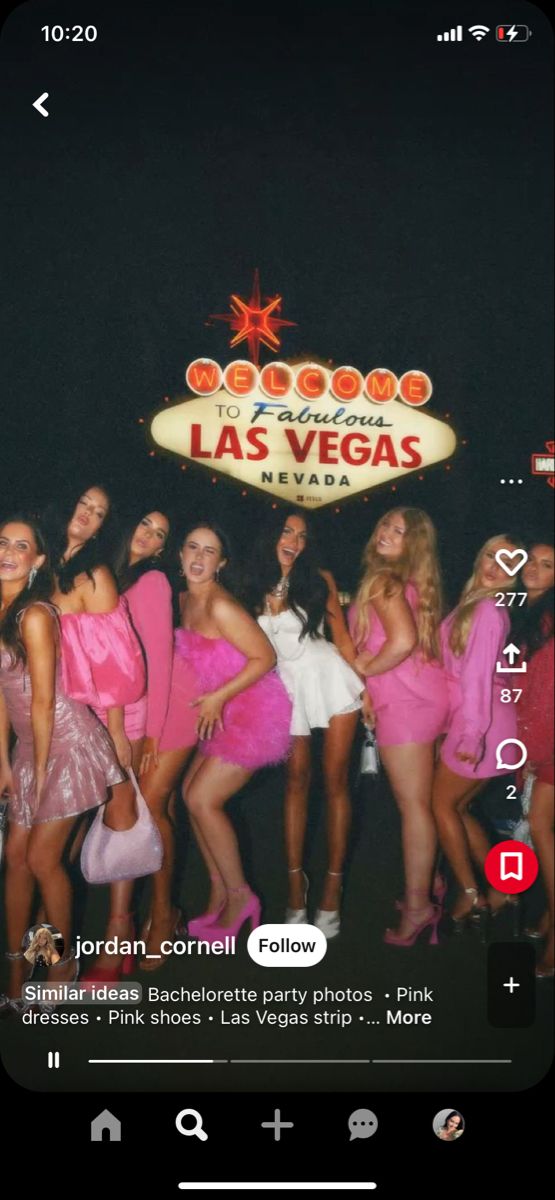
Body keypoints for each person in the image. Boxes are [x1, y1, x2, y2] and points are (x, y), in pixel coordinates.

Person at [0, 516, 124, 1014]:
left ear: (38, 561)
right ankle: (15, 969)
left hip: (65, 745)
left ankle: (59, 962)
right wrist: (6, 764)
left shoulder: (34, 614)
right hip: (29, 748)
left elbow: (45, 700)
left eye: (22, 545)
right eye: (2, 542)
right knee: (14, 861)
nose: (9, 551)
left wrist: (42, 770)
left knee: (42, 860)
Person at [247, 510, 361, 937]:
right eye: (286, 531)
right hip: (285, 690)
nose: (294, 539)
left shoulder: (319, 580)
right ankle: (296, 883)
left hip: (330, 680)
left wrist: (366, 696)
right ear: (270, 535)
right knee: (296, 780)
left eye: (302, 534)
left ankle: (333, 884)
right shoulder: (248, 583)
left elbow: (342, 638)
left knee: (335, 783)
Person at [49, 486, 146, 979]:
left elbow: (116, 666)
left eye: (99, 513)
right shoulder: (36, 564)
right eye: (82, 503)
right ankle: (50, 958)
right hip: (50, 718)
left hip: (103, 716)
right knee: (52, 852)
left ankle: (113, 940)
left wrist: (115, 737)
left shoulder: (94, 576)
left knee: (111, 824)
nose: (86, 515)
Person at [179, 522, 291, 942]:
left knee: (202, 800)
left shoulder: (222, 606)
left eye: (209, 552)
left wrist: (217, 698)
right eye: (192, 547)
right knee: (192, 797)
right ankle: (220, 892)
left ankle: (241, 897)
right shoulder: (186, 598)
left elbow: (264, 657)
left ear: (221, 563)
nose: (198, 557)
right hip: (219, 711)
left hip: (251, 712)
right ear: (180, 554)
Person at [349, 508, 448, 946]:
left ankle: (419, 907)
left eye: (399, 531)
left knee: (414, 808)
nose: (387, 532)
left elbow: (402, 641)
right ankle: (429, 885)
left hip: (405, 704)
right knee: (421, 803)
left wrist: (365, 665)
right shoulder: (404, 581)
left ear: (414, 545)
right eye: (385, 524)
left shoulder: (385, 581)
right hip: (422, 698)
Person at [113, 510, 199, 970]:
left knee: (151, 802)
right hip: (134, 710)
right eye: (143, 523)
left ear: (162, 549)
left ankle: (163, 915)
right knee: (149, 807)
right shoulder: (110, 574)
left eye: (159, 534)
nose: (147, 534)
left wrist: (152, 734)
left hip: (170, 703)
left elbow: (162, 661)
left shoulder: (151, 583)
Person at [432, 535, 522, 930]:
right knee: (459, 808)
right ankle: (504, 889)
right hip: (485, 722)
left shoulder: (486, 609)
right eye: (489, 555)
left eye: (505, 562)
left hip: (481, 723)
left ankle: (471, 896)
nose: (493, 566)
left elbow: (477, 677)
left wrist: (470, 734)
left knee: (440, 807)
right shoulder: (479, 602)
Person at [515, 541, 554, 977]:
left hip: (549, 741)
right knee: (542, 827)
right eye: (532, 560)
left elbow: (544, 696)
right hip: (544, 739)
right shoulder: (529, 613)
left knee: (542, 828)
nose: (536, 569)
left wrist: (531, 751)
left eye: (548, 565)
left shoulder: (546, 620)